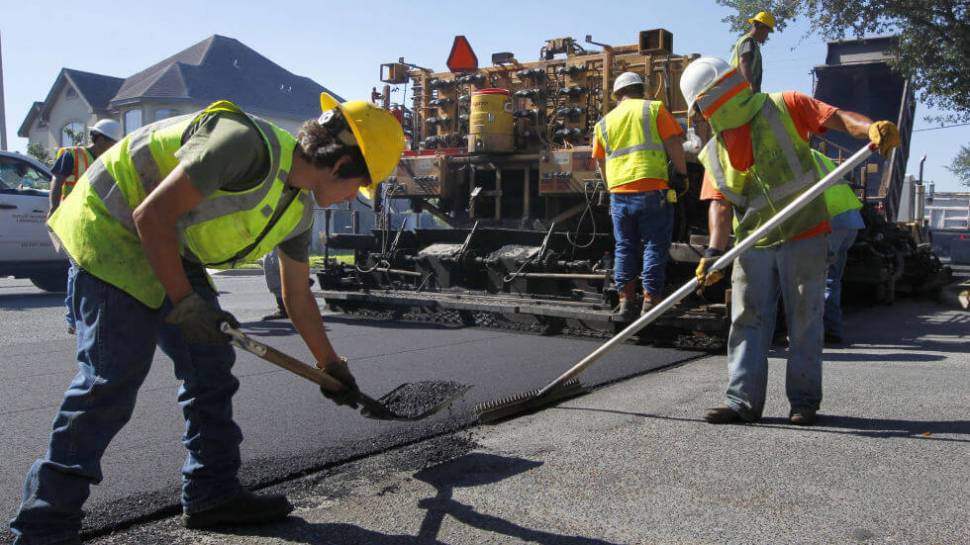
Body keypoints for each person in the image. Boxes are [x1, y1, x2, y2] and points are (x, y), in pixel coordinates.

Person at [10, 93, 404, 544]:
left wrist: (330, 365)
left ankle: (212, 493)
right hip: (111, 228)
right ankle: (43, 525)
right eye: (360, 184)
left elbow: (297, 295)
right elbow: (151, 214)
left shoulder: (298, 209)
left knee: (210, 365)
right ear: (340, 166)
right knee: (111, 379)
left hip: (168, 243)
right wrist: (185, 302)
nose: (355, 196)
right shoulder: (242, 144)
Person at [682, 57, 898, 426]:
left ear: (709, 101)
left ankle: (804, 402)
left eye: (701, 108)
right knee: (747, 320)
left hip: (805, 232)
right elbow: (719, 205)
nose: (703, 115)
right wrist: (715, 253)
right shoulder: (715, 150)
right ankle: (742, 403)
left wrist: (871, 130)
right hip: (753, 244)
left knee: (805, 320)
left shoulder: (785, 106)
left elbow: (839, 119)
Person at [593, 71, 687, 318]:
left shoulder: (604, 122)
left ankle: (625, 301)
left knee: (624, 246)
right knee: (654, 244)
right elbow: (674, 143)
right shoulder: (653, 109)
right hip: (651, 187)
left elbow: (601, 162)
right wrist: (682, 173)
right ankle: (651, 300)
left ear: (617, 95)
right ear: (641, 90)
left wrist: (610, 187)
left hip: (619, 193)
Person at [49, 119, 122, 335]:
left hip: (96, 222)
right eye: (111, 142)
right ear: (98, 138)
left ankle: (92, 313)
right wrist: (53, 209)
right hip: (72, 219)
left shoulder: (109, 160)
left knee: (92, 269)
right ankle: (73, 318)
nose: (113, 146)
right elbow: (57, 181)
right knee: (78, 268)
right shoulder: (72, 155)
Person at [814, 151, 865, 345]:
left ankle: (820, 331)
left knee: (818, 276)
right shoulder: (818, 155)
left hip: (832, 219)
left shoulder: (798, 156)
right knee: (832, 278)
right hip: (850, 220)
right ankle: (833, 330)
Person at [730, 10, 775, 93]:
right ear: (760, 26)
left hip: (738, 89)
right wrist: (751, 86)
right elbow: (744, 62)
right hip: (740, 91)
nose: (767, 36)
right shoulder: (748, 41)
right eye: (767, 32)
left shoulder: (752, 43)